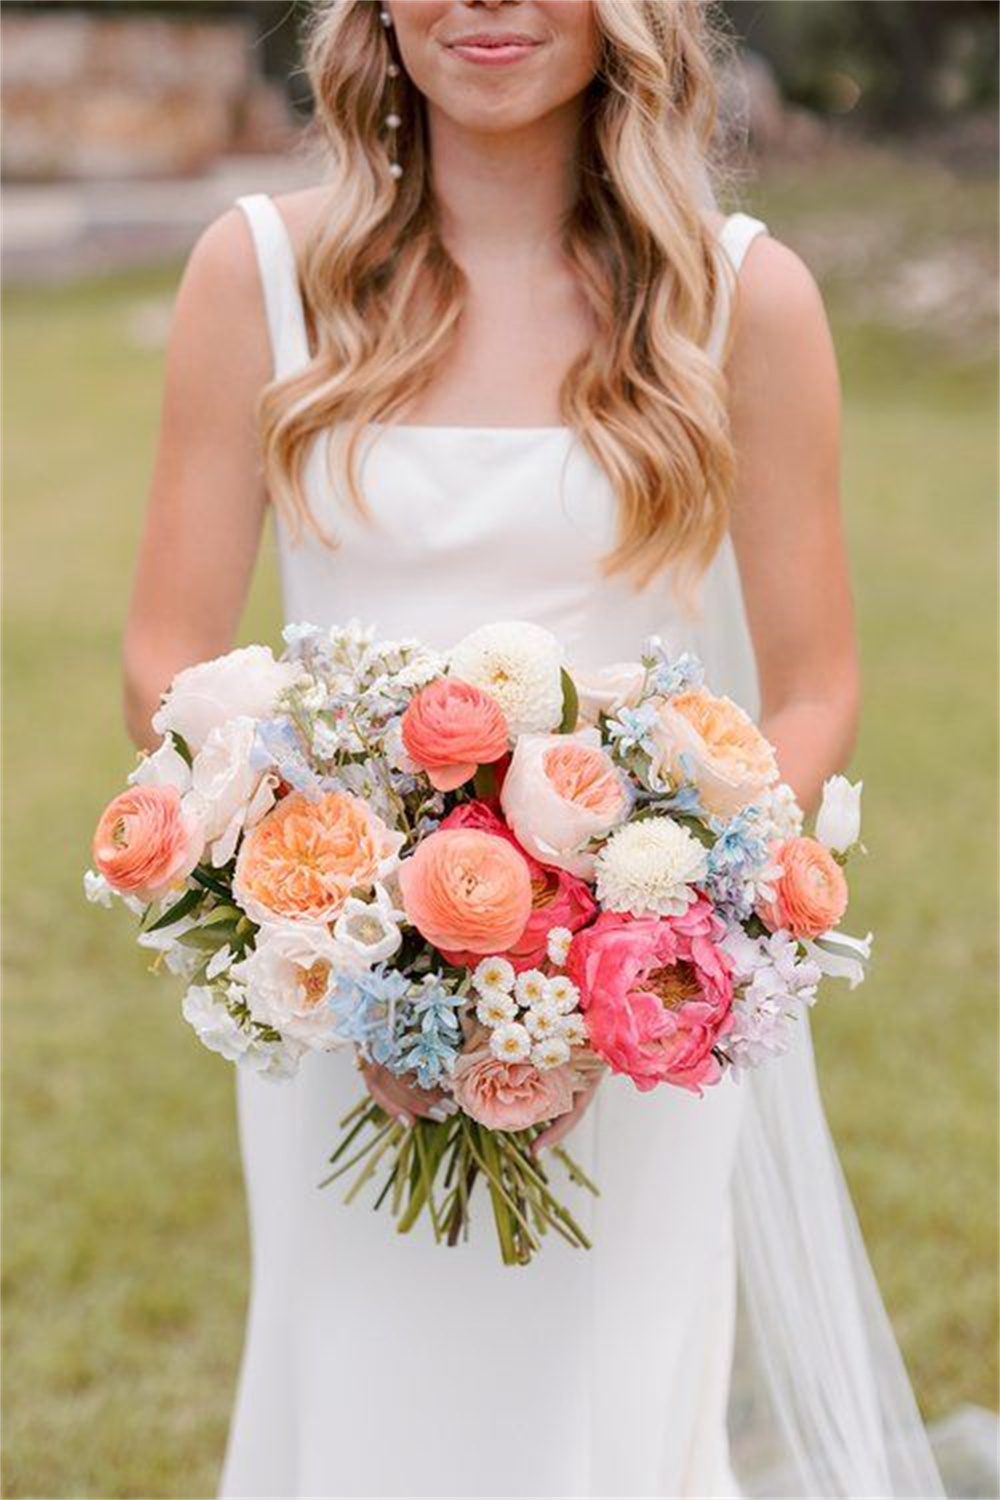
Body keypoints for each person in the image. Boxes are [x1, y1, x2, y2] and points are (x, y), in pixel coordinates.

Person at [121, 2, 949, 1495]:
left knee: (609, 1421)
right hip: (346, 1007)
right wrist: (342, 926)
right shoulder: (258, 273)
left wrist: (615, 943)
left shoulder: (741, 298)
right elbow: (163, 662)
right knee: (363, 1403)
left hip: (634, 1020)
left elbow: (814, 691)